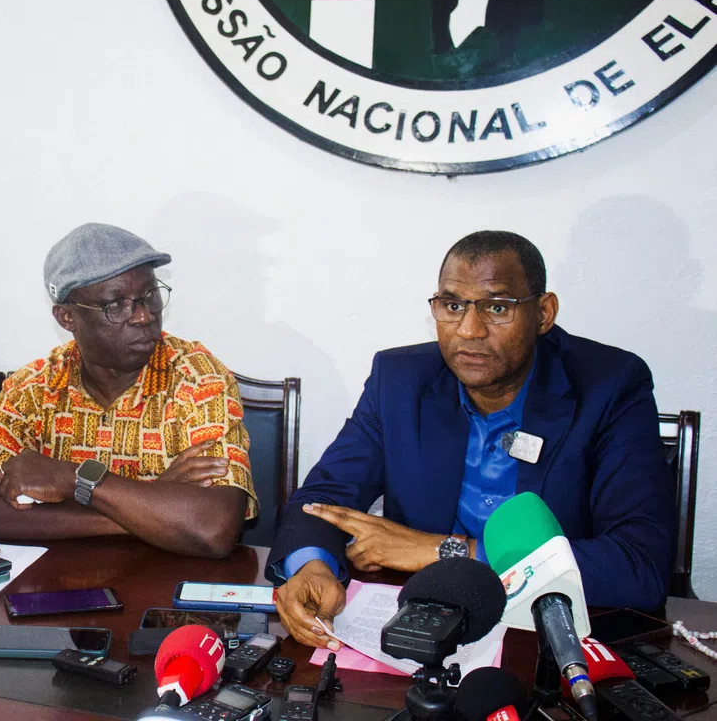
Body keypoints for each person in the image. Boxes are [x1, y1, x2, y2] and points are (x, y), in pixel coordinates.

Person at [269, 230, 674, 649]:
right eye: (452, 305)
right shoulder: (400, 380)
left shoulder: (609, 386)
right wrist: (312, 565)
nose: (469, 330)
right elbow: (322, 497)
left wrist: (447, 551)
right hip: (425, 627)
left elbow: (639, 565)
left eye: (497, 307)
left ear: (543, 312)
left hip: (548, 640)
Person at [0, 223, 257, 558]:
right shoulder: (34, 386)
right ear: (66, 317)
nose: (144, 316)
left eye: (150, 295)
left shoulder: (197, 378)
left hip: (162, 594)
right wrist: (149, 507)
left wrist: (73, 479)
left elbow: (213, 528)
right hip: (58, 593)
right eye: (117, 305)